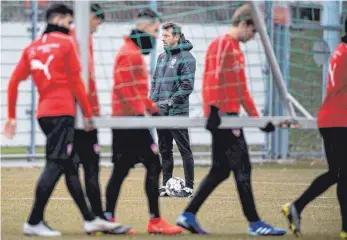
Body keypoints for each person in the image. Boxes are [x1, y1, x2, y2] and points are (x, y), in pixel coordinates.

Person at [3, 3, 122, 237]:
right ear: (58, 19)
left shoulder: (32, 47)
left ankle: (90, 220)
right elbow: (77, 83)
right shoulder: (67, 43)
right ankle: (33, 221)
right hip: (62, 114)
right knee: (56, 164)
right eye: (69, 22)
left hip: (44, 115)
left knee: (68, 166)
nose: (71, 27)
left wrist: (12, 116)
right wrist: (88, 114)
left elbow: (13, 82)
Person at [176, 4, 287, 236]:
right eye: (254, 31)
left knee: (220, 170)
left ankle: (187, 215)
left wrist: (257, 120)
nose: (254, 36)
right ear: (245, 24)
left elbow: (242, 90)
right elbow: (212, 77)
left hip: (231, 117)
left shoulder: (237, 49)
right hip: (223, 118)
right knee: (242, 168)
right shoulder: (222, 43)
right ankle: (255, 223)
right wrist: (213, 109)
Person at [103, 8, 183, 235]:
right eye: (156, 30)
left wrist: (153, 110)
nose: (157, 35)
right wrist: (141, 113)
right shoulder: (128, 53)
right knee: (154, 164)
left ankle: (108, 217)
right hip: (129, 122)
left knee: (121, 170)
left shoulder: (132, 52)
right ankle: (154, 221)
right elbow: (123, 89)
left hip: (129, 120)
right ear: (146, 26)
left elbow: (136, 91)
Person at [282, 19, 347, 239]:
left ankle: (296, 208)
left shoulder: (341, 49)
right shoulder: (345, 53)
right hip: (338, 121)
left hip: (334, 119)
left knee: (338, 173)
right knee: (340, 174)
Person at [150, 22, 196, 198]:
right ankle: (165, 185)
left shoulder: (187, 58)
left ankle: (189, 187)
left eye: (166, 36)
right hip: (160, 112)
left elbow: (187, 86)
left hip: (177, 112)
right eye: (162, 35)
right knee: (164, 150)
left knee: (184, 150)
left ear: (176, 37)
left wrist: (169, 102)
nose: (163, 38)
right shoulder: (162, 57)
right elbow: (155, 83)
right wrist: (153, 102)